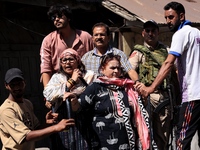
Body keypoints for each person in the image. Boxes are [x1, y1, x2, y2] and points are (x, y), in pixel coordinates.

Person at [137, 2, 200, 150]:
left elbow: (168, 64)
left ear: (182, 16)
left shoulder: (181, 34)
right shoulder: (197, 33)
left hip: (193, 95)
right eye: (166, 18)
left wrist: (151, 88)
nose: (168, 21)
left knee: (181, 139)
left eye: (171, 17)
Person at [69, 54, 150, 150]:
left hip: (127, 141)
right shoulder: (95, 87)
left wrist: (143, 98)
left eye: (118, 68)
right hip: (103, 141)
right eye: (112, 68)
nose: (116, 71)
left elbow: (139, 110)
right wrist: (73, 101)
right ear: (102, 69)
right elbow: (79, 108)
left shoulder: (128, 87)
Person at [129, 20, 180, 150]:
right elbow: (130, 69)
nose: (150, 33)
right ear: (143, 33)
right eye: (147, 31)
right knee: (144, 133)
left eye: (153, 31)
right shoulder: (138, 52)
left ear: (158, 33)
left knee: (163, 134)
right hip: (145, 97)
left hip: (163, 96)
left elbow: (176, 71)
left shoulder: (167, 51)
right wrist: (138, 84)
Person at [0, 68, 75, 150]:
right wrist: (56, 127)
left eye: (19, 83)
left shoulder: (27, 103)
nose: (17, 87)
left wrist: (47, 123)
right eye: (13, 85)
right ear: (6, 86)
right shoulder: (6, 110)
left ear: (24, 83)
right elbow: (26, 137)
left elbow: (35, 130)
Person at [43, 48, 97, 149]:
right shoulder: (57, 77)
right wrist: (72, 81)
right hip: (64, 120)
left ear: (78, 61)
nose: (68, 63)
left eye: (71, 59)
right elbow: (48, 94)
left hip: (85, 121)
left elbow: (96, 93)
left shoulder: (89, 75)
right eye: (64, 60)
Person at [40, 4, 93, 87]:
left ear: (68, 18)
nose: (57, 19)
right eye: (53, 18)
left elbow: (95, 58)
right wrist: (47, 94)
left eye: (60, 16)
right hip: (60, 84)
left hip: (85, 82)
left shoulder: (85, 37)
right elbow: (45, 68)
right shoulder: (48, 40)